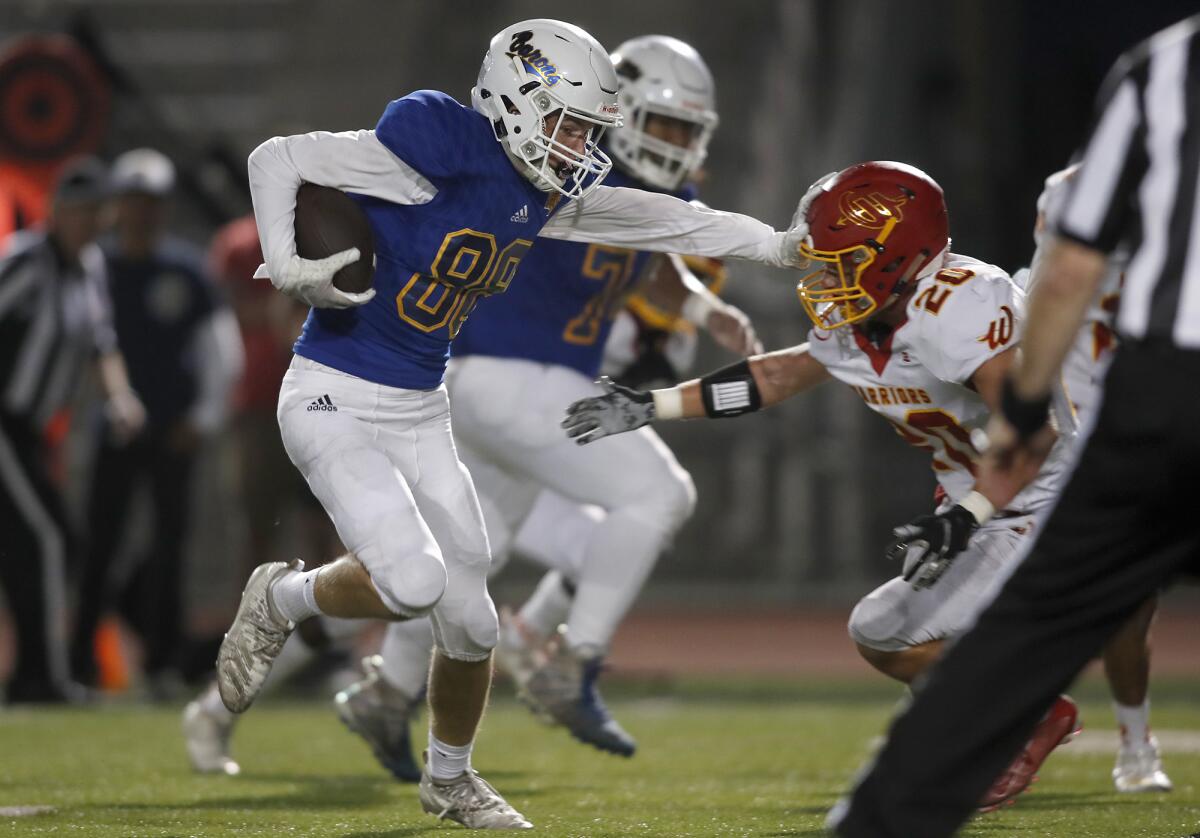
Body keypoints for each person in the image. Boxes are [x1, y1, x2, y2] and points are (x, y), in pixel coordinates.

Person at [217, 18, 809, 829]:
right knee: (416, 583)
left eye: (589, 133)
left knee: (472, 618)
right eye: (568, 125)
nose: (579, 148)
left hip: (424, 405)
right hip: (333, 394)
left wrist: (776, 246)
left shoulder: (546, 198)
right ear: (515, 102)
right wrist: (287, 264)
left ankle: (449, 779)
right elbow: (275, 158)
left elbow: (670, 221)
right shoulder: (429, 147)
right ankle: (282, 598)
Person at [558, 159, 1089, 807]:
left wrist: (968, 514)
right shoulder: (866, 318)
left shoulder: (957, 304)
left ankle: (1015, 721)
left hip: (1047, 494)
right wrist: (652, 407)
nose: (825, 276)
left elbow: (1031, 432)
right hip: (978, 501)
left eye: (842, 260)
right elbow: (777, 376)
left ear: (894, 255)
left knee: (888, 630)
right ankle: (997, 717)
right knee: (885, 635)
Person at [325, 34, 756, 777]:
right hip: (510, 371)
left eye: (688, 131)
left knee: (467, 560)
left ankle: (385, 694)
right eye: (665, 124)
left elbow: (650, 257)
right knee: (659, 495)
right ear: (619, 113)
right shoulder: (563, 163)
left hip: (512, 384)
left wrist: (698, 303)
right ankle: (571, 662)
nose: (676, 145)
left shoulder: (643, 190)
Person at [829, 15, 1200, 837]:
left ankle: (890, 813)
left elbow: (1065, 279)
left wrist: (1015, 434)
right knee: (1108, 611)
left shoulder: (1161, 73)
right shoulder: (1033, 253)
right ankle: (1123, 746)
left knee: (1042, 624)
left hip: (1139, 416)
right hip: (1111, 420)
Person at [1013, 165, 1170, 795]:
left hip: (1141, 440)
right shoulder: (1031, 272)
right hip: (1060, 445)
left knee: (1129, 604)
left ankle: (1134, 742)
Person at [69, 148, 243, 694]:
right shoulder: (95, 266)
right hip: (114, 427)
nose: (143, 212)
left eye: (152, 203)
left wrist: (203, 417)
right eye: (134, 201)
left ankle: (162, 661)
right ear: (117, 205)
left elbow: (220, 348)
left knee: (171, 543)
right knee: (99, 543)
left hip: (174, 431)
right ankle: (79, 662)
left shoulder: (185, 269)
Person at [0, 157, 145, 703]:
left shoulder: (90, 269)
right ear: (57, 211)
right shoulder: (24, 263)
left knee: (49, 542)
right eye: (79, 210)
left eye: (96, 211)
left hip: (30, 431)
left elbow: (101, 344)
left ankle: (32, 675)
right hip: (3, 420)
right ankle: (45, 678)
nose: (88, 221)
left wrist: (121, 397)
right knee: (46, 537)